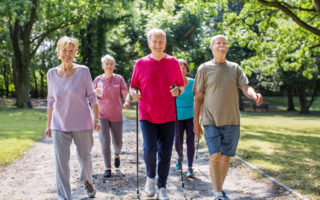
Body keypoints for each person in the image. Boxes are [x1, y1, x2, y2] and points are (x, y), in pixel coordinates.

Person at [193, 35, 263, 200]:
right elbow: (198, 98)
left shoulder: (235, 68)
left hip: (232, 120)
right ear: (212, 47)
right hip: (210, 120)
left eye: (224, 43)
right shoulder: (204, 68)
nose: (222, 45)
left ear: (227, 47)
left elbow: (245, 88)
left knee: (225, 157)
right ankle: (217, 193)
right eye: (218, 43)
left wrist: (254, 95)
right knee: (215, 155)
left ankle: (220, 189)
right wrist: (196, 122)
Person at [129, 28, 185, 200]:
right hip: (147, 113)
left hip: (168, 114)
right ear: (149, 43)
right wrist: (134, 94)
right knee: (149, 148)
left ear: (165, 43)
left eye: (161, 41)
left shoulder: (173, 62)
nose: (158, 44)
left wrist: (178, 91)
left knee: (166, 152)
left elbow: (181, 86)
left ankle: (162, 186)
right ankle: (150, 179)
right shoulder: (141, 63)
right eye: (155, 41)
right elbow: (133, 86)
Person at [45, 36, 101, 199]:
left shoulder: (83, 71)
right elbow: (50, 101)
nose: (67, 54)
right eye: (64, 50)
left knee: (85, 158)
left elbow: (92, 97)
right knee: (61, 164)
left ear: (75, 52)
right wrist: (48, 125)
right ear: (58, 52)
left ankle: (87, 180)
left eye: (71, 51)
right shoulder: (51, 74)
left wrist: (96, 119)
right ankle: (64, 197)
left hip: (82, 123)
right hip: (59, 125)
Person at [93, 54, 130, 178]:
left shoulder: (119, 79)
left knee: (117, 142)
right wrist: (94, 93)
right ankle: (107, 168)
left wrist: (127, 101)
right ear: (103, 66)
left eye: (111, 64)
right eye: (106, 64)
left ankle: (117, 154)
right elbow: (91, 96)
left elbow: (126, 93)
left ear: (114, 66)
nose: (109, 66)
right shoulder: (98, 80)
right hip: (102, 114)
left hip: (116, 115)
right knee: (104, 140)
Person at [174, 59, 195, 178]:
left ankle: (190, 167)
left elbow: (198, 98)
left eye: (183, 68)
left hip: (191, 116)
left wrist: (200, 111)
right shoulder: (173, 83)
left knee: (190, 142)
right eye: (179, 68)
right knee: (177, 141)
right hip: (177, 117)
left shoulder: (193, 83)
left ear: (187, 69)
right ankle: (180, 156)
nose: (181, 70)